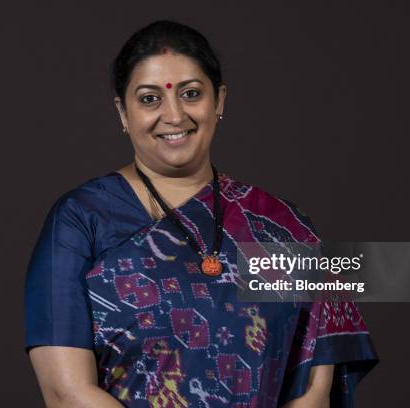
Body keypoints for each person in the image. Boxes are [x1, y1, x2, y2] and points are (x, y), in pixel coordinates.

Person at [24, 20, 378, 408]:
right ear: (123, 112)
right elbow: (65, 393)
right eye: (149, 99)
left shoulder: (280, 225)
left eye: (191, 94)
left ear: (219, 101)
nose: (174, 115)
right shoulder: (81, 220)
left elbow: (314, 393)